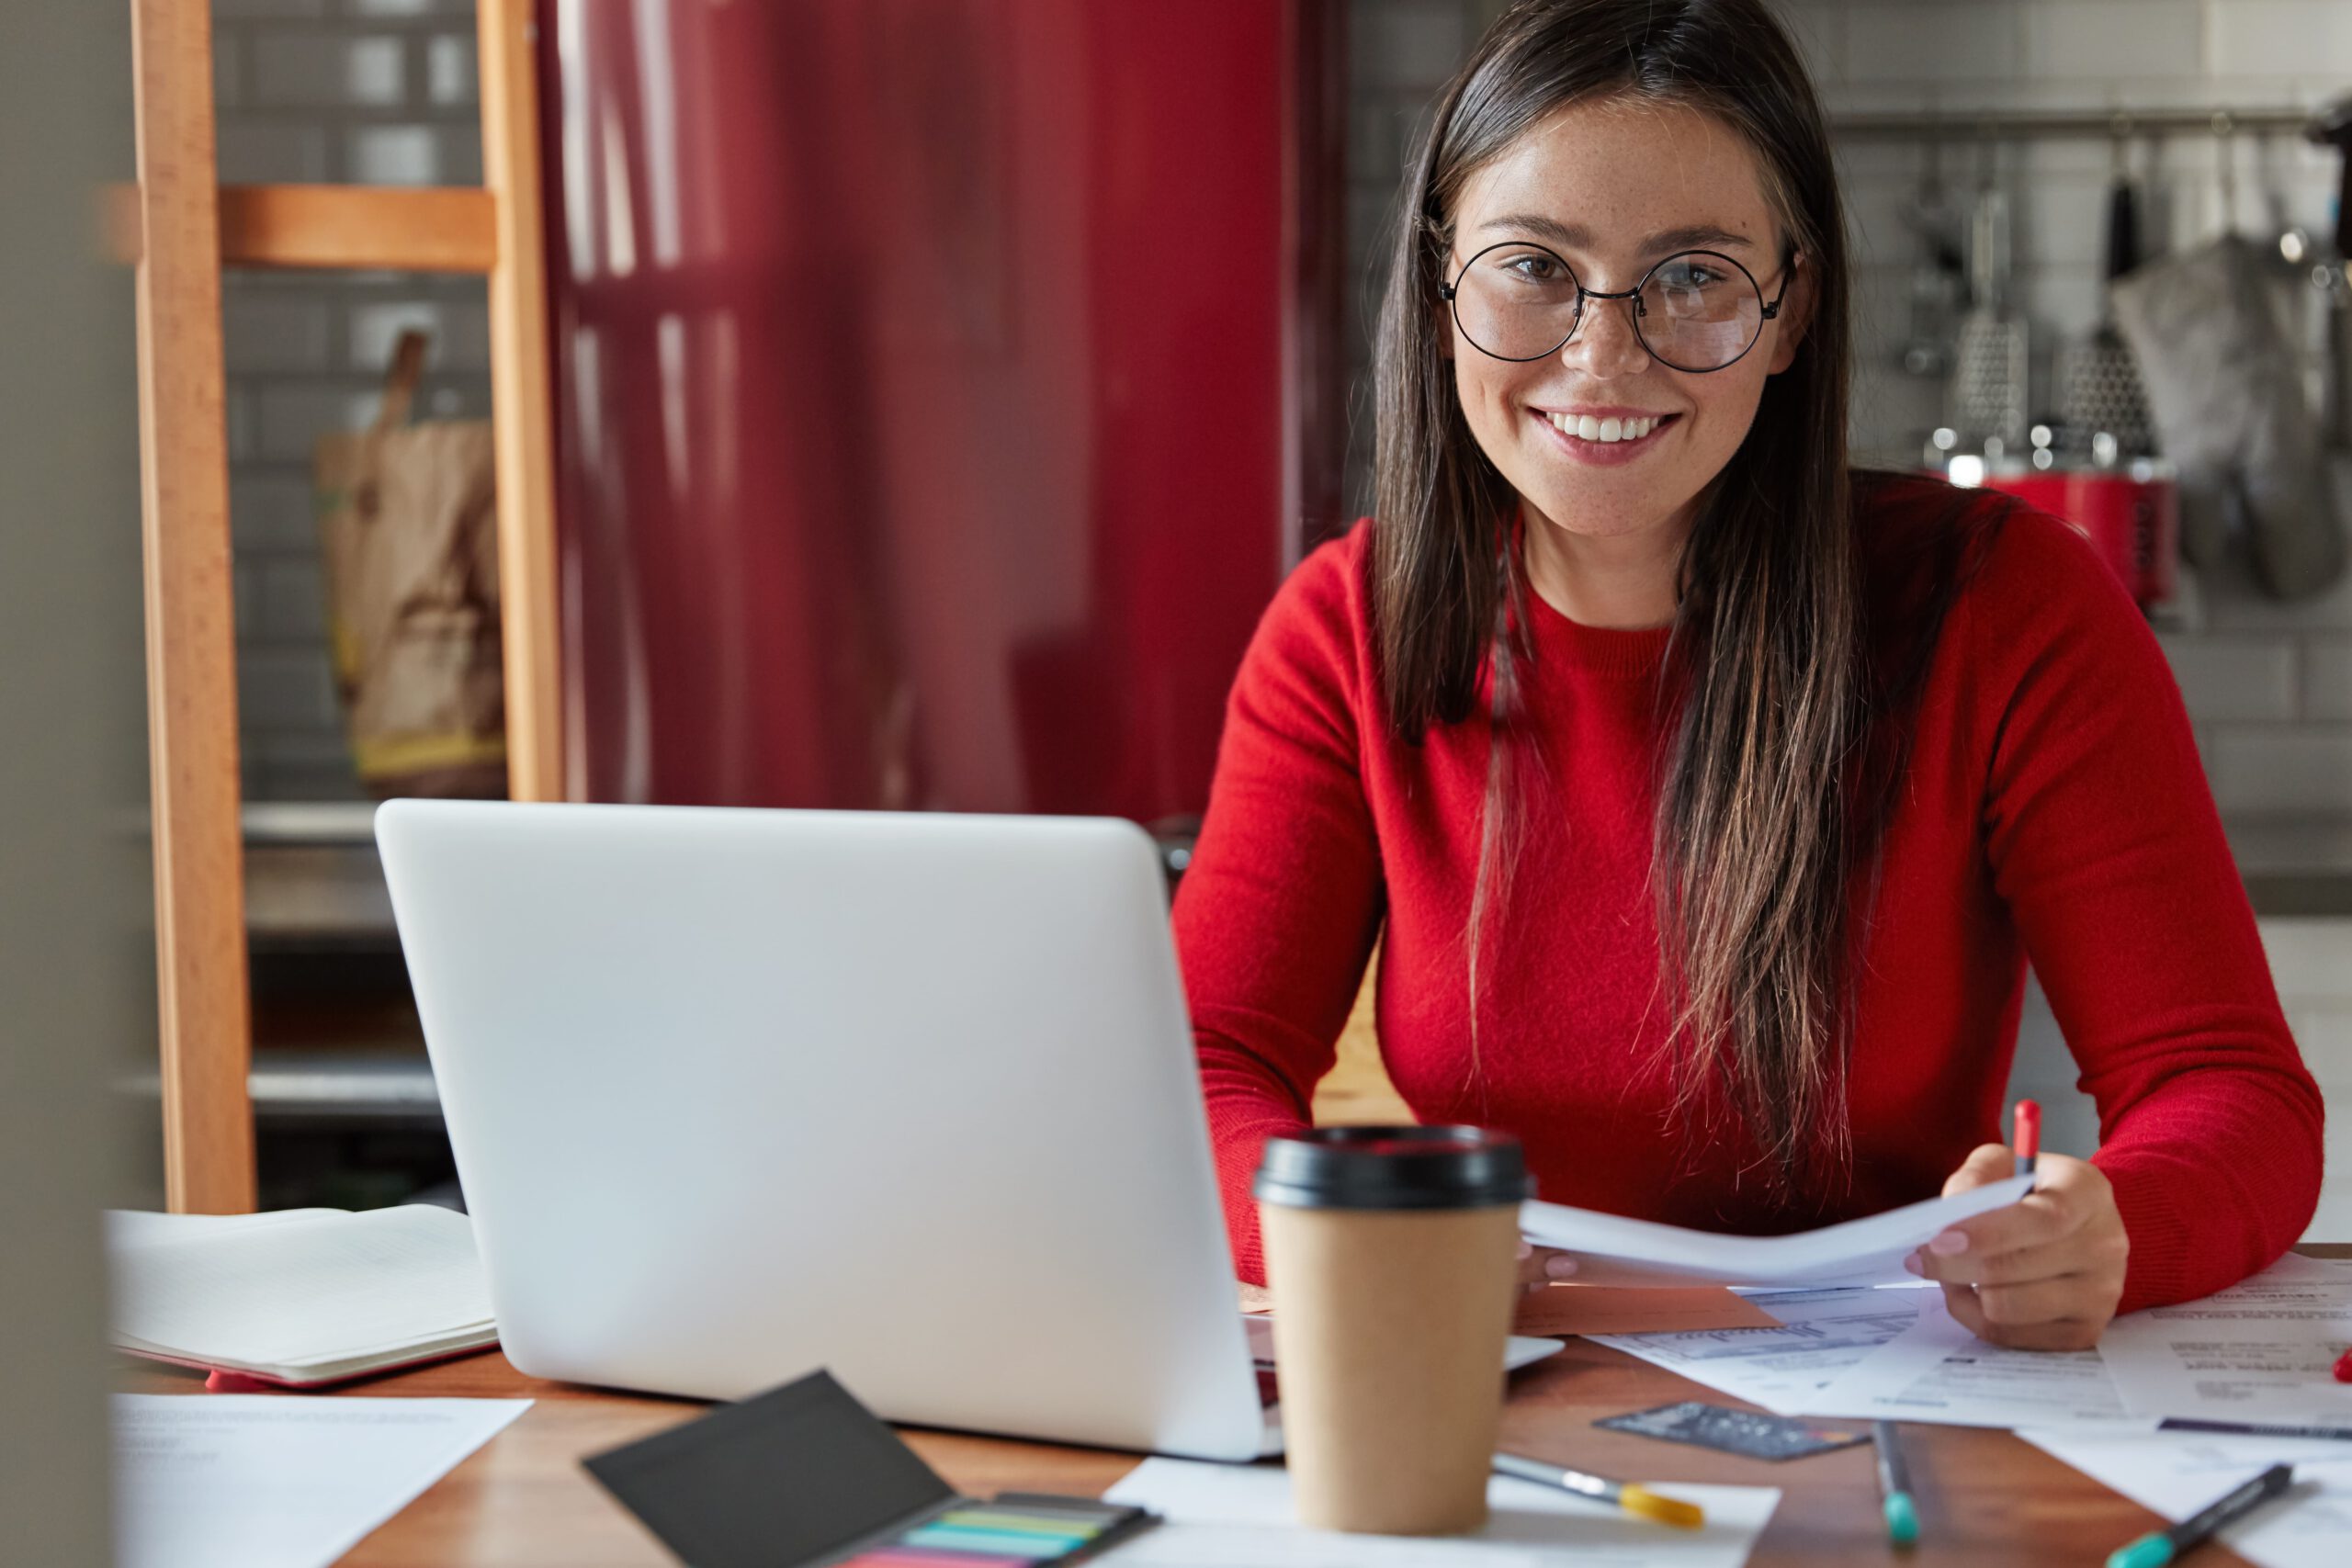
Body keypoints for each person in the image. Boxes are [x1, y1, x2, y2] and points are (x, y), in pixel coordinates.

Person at [1173, 0, 2322, 1352]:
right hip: (1485, 1382)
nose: (1604, 354)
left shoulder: (2010, 610)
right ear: (1439, 296)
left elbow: (2228, 1092)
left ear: (1793, 310)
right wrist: (1357, 1238)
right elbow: (1203, 1069)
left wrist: (2114, 1226)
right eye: (1533, 265)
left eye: (1695, 275)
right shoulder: (1343, 631)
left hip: (1900, 1398)